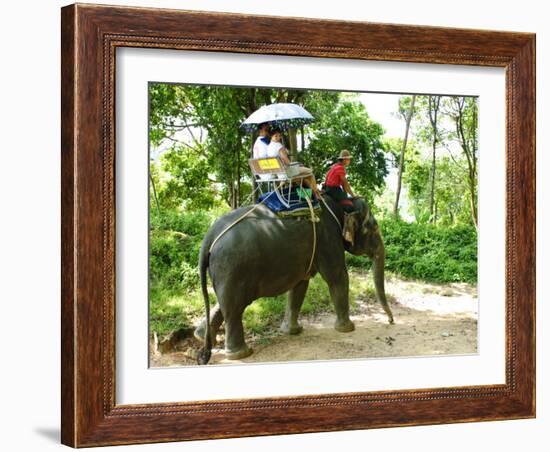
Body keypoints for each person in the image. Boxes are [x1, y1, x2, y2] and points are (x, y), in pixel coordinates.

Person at [268, 128, 320, 198]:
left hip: (278, 174)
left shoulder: (269, 147)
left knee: (301, 170)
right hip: (287, 173)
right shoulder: (279, 146)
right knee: (310, 172)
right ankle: (316, 193)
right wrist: (296, 164)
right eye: (276, 136)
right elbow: (287, 162)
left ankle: (304, 195)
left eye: (279, 136)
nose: (278, 138)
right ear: (271, 136)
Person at [324, 150, 357, 242]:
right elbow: (345, 184)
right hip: (333, 189)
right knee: (349, 207)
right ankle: (347, 232)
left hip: (327, 188)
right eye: (348, 159)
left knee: (345, 200)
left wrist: (346, 195)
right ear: (345, 160)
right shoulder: (340, 168)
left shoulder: (335, 166)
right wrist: (353, 195)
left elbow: (342, 185)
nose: (349, 161)